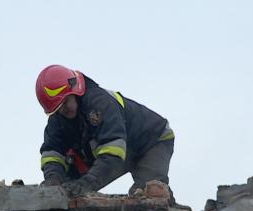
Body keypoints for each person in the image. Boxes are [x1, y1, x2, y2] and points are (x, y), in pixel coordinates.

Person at [35, 65, 175, 197]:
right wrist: (54, 180)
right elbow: (52, 153)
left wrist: (88, 182)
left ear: (75, 92)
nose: (63, 110)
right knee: (69, 192)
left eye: (65, 102)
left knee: (148, 195)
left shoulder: (99, 103)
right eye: (57, 108)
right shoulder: (57, 121)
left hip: (151, 141)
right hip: (120, 149)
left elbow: (113, 151)